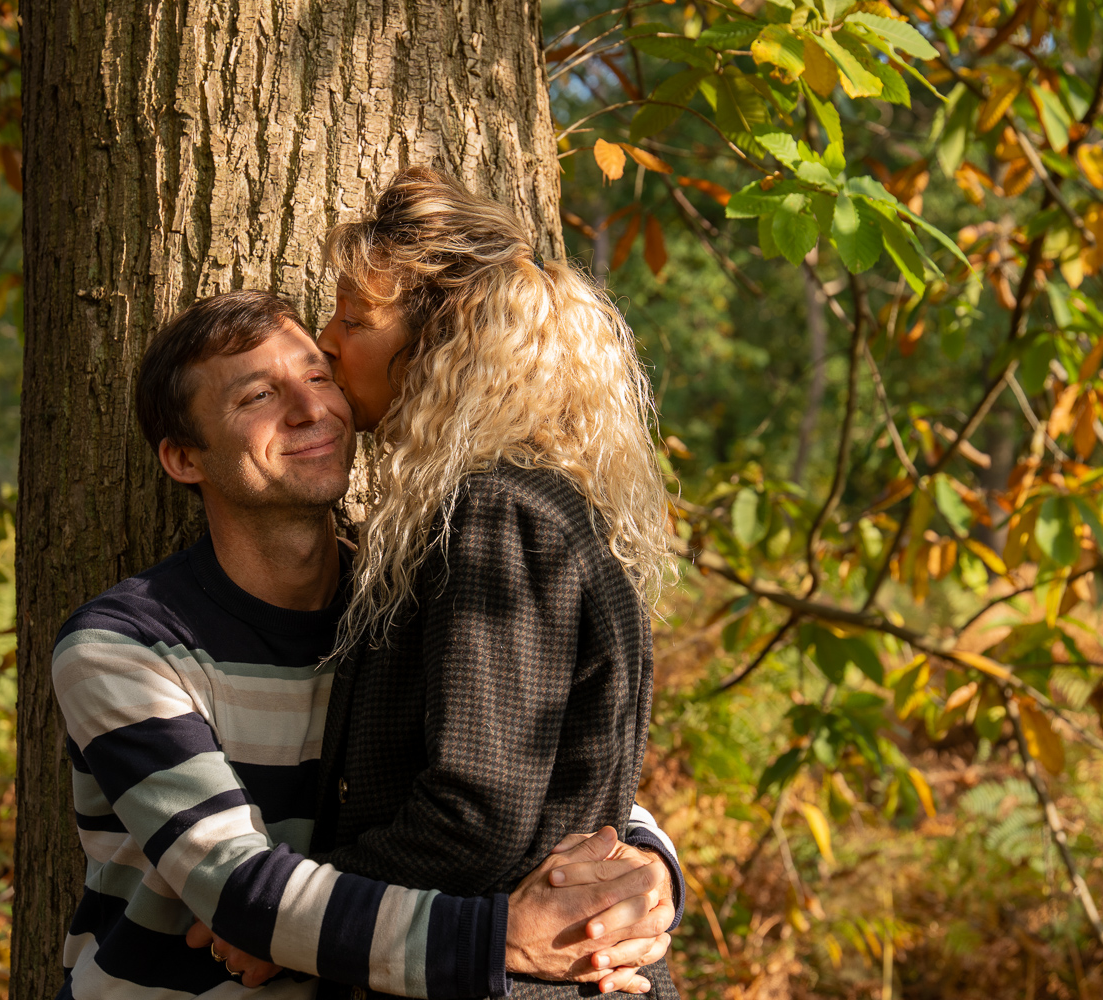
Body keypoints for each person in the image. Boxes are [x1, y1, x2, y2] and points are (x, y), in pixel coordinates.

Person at [52, 291, 680, 1000]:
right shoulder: (123, 648)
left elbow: (532, 768)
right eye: (258, 395)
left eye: (320, 376)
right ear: (183, 458)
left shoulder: (408, 603)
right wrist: (505, 938)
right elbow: (235, 887)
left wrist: (646, 871)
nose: (309, 409)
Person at [302, 167, 680, 1000]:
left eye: (353, 319)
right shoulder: (539, 502)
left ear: (442, 340)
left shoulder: (497, 512)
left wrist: (301, 916)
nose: (325, 341)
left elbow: (478, 808)